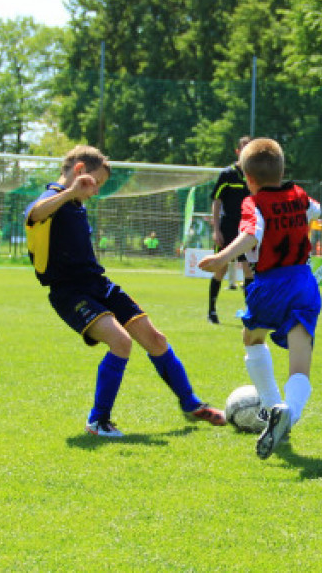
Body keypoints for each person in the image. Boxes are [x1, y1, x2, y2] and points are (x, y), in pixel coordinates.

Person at [24, 145, 226, 437]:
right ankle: (98, 421)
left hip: (99, 285)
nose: (95, 192)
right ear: (80, 171)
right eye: (96, 183)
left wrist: (74, 197)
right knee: (121, 342)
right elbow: (33, 214)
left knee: (155, 339)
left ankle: (191, 405)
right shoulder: (53, 197)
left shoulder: (76, 205)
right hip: (70, 293)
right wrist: (69, 192)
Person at [198, 137, 322, 460]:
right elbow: (316, 210)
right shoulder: (299, 195)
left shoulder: (253, 203)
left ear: (248, 179)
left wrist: (220, 258)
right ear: (282, 171)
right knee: (300, 363)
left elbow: (252, 234)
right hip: (303, 282)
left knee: (252, 337)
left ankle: (272, 406)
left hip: (269, 283)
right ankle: (287, 413)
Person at [208, 136, 253, 324]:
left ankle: (251, 312)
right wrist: (216, 229)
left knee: (249, 269)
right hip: (227, 227)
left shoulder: (255, 174)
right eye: (244, 148)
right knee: (221, 268)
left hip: (247, 228)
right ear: (238, 151)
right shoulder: (227, 174)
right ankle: (211, 311)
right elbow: (216, 201)